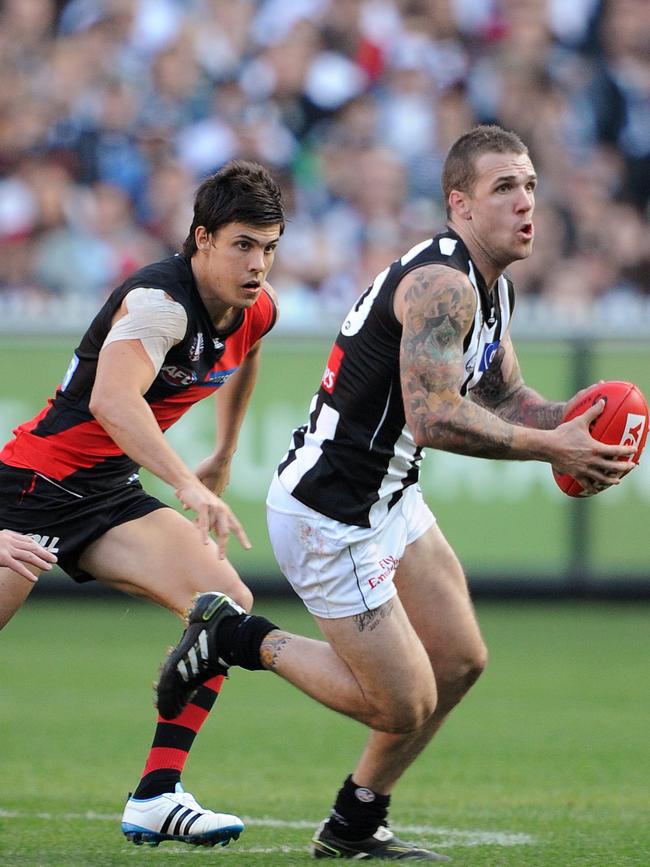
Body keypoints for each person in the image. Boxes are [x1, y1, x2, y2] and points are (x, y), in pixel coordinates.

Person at [156, 126, 635, 861]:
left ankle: (355, 821)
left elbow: (505, 398)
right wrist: (552, 445)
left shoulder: (489, 286)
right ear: (460, 204)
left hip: (386, 496)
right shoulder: (443, 282)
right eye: (504, 187)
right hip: (332, 512)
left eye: (531, 185)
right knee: (402, 701)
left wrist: (577, 425)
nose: (526, 202)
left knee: (461, 658)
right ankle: (236, 636)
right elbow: (434, 413)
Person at [0, 160, 285, 848]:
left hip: (105, 494)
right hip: (32, 489)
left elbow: (245, 357)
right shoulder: (159, 304)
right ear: (201, 238)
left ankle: (158, 793)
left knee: (223, 605)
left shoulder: (256, 307)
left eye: (270, 247)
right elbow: (112, 400)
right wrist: (188, 483)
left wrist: (223, 450)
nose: (259, 264)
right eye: (243, 244)